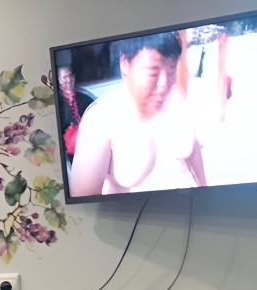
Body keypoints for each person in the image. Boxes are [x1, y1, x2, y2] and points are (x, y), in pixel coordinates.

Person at [68, 31, 206, 196]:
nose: (164, 83)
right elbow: (83, 196)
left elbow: (194, 154)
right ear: (125, 63)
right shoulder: (101, 118)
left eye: (171, 71)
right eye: (152, 73)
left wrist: (207, 195)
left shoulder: (176, 99)